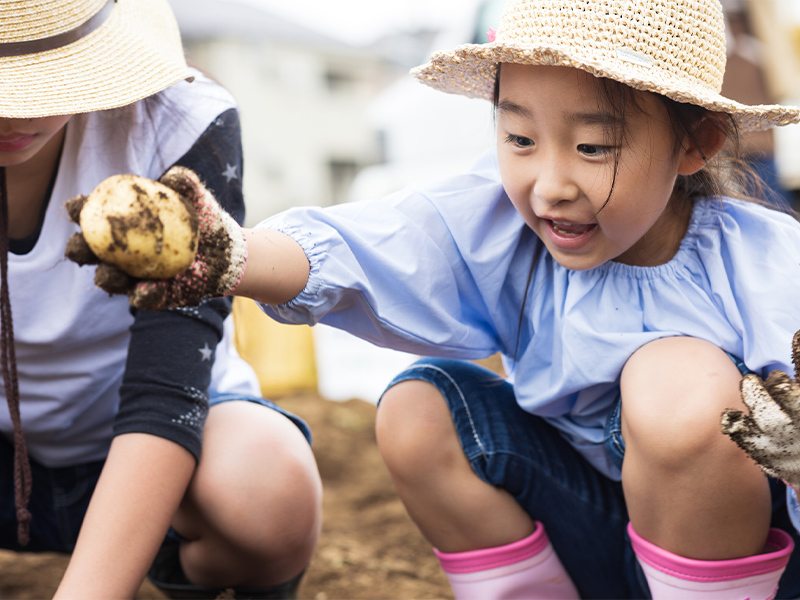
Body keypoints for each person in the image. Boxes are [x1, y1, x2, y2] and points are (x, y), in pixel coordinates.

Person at [71, 0, 800, 598]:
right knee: (421, 408)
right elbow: (366, 249)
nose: (549, 183)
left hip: (742, 565)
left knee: (675, 385)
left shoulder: (767, 264)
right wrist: (225, 253)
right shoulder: (499, 228)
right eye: (519, 137)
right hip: (600, 542)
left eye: (593, 148)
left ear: (694, 144)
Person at [0, 0, 321, 598]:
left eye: (42, 76)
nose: (17, 109)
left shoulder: (175, 125)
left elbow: (165, 387)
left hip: (168, 445)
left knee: (265, 485)